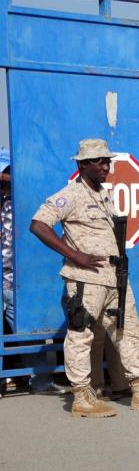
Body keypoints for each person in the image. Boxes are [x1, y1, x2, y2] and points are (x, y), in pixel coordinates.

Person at [29, 139, 139, 417]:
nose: (106, 166)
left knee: (129, 332)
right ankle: (82, 397)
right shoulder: (70, 195)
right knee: (81, 336)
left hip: (114, 278)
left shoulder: (103, 194)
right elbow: (38, 224)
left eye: (107, 161)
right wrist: (75, 255)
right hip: (86, 279)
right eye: (99, 161)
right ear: (83, 164)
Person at [0, 151, 68, 395]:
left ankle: (40, 380)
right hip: (6, 280)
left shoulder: (21, 201)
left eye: (7, 171)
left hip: (14, 282)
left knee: (28, 333)